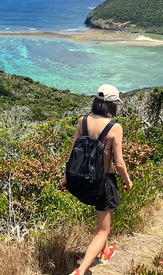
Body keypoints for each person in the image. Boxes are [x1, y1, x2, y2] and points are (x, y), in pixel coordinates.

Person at [62, 84, 133, 275]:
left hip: (82, 180)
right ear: (112, 105)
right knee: (102, 231)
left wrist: (65, 177)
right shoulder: (114, 128)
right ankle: (81, 270)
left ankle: (105, 252)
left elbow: (72, 153)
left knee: (104, 223)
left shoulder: (82, 121)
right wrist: (127, 181)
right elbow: (118, 163)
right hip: (104, 182)